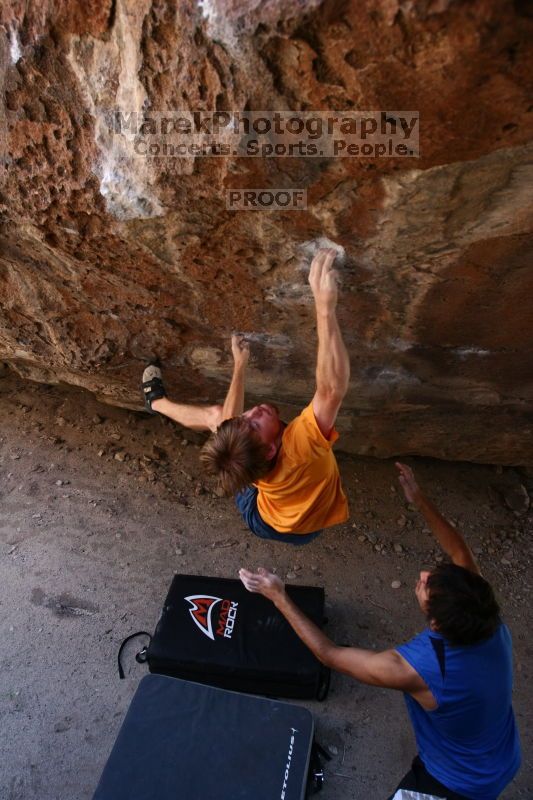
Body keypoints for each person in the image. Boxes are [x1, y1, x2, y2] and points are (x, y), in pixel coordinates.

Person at [239, 463, 521, 799]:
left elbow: (329, 654)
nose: (422, 574)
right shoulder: (486, 618)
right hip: (502, 756)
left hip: (455, 786)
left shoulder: (419, 669)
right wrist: (419, 499)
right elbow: (460, 551)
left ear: (436, 622)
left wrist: (278, 595)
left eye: (426, 585)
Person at [141, 248, 349, 545]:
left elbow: (235, 423)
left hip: (285, 510)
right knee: (222, 420)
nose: (254, 411)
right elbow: (330, 389)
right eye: (254, 424)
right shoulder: (300, 450)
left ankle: (156, 402)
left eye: (246, 417)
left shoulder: (254, 456)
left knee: (222, 421)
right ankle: (160, 404)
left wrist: (240, 366)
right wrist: (324, 305)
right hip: (266, 520)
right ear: (270, 451)